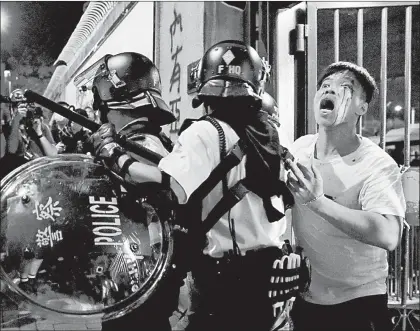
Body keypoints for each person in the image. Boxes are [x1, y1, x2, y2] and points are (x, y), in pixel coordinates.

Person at [90, 41, 301, 331]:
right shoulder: (272, 136)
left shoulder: (205, 131)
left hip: (227, 281)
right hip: (268, 277)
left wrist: (114, 155)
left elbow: (169, 189)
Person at [287, 61, 406, 331]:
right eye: (325, 86)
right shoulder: (300, 149)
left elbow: (388, 235)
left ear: (361, 109)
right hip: (307, 299)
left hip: (360, 303)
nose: (331, 91)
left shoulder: (376, 164)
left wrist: (318, 203)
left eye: (346, 89)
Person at [80, 51, 177, 331]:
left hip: (140, 280)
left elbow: (158, 179)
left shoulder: (143, 142)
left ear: (115, 104)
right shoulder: (135, 140)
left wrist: (115, 156)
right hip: (129, 278)